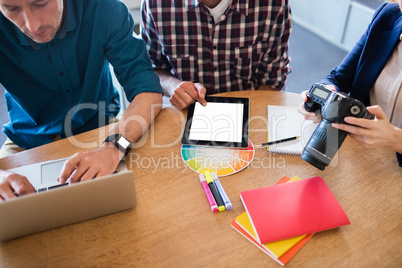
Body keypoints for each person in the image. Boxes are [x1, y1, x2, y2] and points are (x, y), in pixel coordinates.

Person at [0, 0, 163, 200]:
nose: (32, 25)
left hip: (102, 130)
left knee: (145, 196)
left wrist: (114, 147)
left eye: (40, 3)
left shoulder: (104, 9)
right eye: (11, 9)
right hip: (25, 140)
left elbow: (147, 91)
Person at [298, 0, 402, 167]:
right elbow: (340, 77)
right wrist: (327, 92)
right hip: (357, 152)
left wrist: (394, 138)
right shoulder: (389, 15)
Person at [141, 0, 292, 110]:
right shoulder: (156, 4)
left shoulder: (273, 4)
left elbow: (272, 80)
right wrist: (173, 86)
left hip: (250, 108)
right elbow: (150, 69)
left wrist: (251, 122)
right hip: (186, 111)